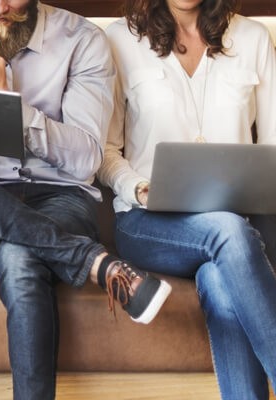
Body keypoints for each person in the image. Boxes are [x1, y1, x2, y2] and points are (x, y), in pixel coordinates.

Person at [0, 0, 177, 398]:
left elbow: (86, 158)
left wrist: (3, 98)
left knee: (20, 255)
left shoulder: (83, 40)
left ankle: (69, 253)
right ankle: (88, 259)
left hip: (58, 198)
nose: (0, 7)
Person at [100, 0, 276, 397]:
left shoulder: (253, 39)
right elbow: (106, 152)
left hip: (237, 226)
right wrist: (136, 186)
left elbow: (273, 145)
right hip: (147, 223)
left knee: (220, 278)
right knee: (228, 231)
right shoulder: (119, 39)